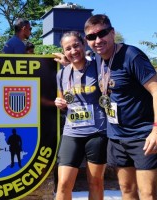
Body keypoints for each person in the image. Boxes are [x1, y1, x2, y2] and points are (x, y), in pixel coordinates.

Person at [83, 14, 157, 200]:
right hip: (116, 137)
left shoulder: (132, 55)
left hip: (143, 136)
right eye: (91, 37)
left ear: (112, 33)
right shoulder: (96, 60)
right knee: (126, 189)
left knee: (148, 193)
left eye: (102, 33)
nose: (97, 40)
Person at [54, 31, 107, 200]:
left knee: (96, 182)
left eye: (76, 45)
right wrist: (60, 104)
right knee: (63, 184)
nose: (73, 51)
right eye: (68, 48)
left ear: (83, 44)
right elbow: (63, 101)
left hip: (97, 133)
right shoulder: (62, 74)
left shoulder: (98, 67)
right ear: (64, 51)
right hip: (72, 133)